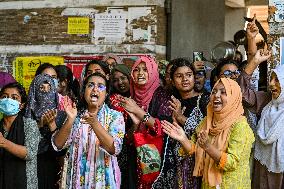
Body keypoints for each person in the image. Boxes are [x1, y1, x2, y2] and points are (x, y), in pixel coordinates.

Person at [163, 78, 255, 189]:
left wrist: (208, 147)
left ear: (233, 97)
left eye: (223, 92)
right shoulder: (207, 121)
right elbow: (194, 149)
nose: (216, 95)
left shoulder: (240, 126)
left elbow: (231, 162)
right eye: (214, 91)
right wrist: (182, 138)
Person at [52, 72, 125, 188]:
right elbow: (58, 145)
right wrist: (70, 120)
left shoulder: (115, 116)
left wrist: (94, 123)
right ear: (84, 91)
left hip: (103, 182)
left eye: (101, 86)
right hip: (75, 181)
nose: (95, 89)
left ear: (106, 94)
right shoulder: (75, 114)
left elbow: (114, 148)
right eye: (90, 85)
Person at [119, 56, 171, 189]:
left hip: (156, 158)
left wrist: (138, 111)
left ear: (153, 72)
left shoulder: (162, 95)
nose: (140, 73)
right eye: (136, 70)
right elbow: (128, 139)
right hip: (135, 160)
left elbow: (162, 128)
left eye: (145, 69)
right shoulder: (131, 98)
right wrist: (136, 124)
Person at [162, 58, 209, 189]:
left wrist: (181, 118)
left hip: (200, 163)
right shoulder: (172, 102)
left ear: (194, 77)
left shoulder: (206, 100)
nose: (185, 79)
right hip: (178, 165)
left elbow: (207, 133)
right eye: (179, 76)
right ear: (171, 80)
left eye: (189, 75)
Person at [0, 82, 40, 189]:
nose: (8, 100)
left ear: (21, 105)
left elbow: (30, 153)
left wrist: (4, 143)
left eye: (14, 98)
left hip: (24, 183)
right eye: (4, 96)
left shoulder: (30, 124)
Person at [25, 74, 61, 189]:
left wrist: (51, 125)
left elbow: (60, 151)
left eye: (48, 88)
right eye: (41, 88)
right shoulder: (25, 116)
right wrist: (40, 124)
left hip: (52, 171)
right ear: (34, 90)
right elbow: (27, 147)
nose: (45, 92)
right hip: (30, 169)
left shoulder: (62, 116)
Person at [109, 64, 137, 189]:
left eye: (123, 78)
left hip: (140, 150)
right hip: (122, 151)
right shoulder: (112, 101)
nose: (120, 82)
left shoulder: (139, 97)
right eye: (115, 80)